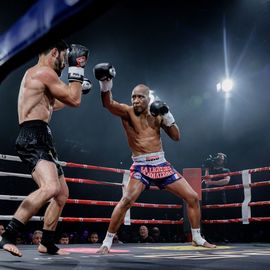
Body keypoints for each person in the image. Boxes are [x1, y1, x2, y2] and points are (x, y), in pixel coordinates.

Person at [93, 63, 216, 254]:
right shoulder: (127, 112)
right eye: (133, 96)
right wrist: (105, 82)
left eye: (140, 97)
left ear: (148, 98)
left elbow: (176, 137)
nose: (135, 100)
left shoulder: (156, 114)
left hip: (161, 165)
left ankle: (197, 238)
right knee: (126, 200)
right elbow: (107, 103)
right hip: (141, 166)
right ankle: (107, 242)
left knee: (192, 197)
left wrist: (167, 115)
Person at [0, 40, 90, 257]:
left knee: (62, 194)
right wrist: (77, 70)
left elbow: (54, 104)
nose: (65, 64)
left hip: (41, 135)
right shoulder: (43, 72)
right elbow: (74, 100)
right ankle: (8, 236)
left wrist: (75, 88)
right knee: (50, 188)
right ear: (54, 52)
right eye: (65, 58)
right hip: (33, 135)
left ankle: (47, 243)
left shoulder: (40, 76)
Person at [202, 152, 231, 242]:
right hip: (210, 195)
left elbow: (226, 181)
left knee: (221, 217)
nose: (219, 157)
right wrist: (206, 167)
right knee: (210, 217)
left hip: (220, 196)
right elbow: (206, 181)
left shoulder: (226, 170)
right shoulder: (210, 169)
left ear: (224, 160)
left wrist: (213, 183)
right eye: (218, 156)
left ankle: (222, 236)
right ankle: (210, 237)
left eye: (221, 156)